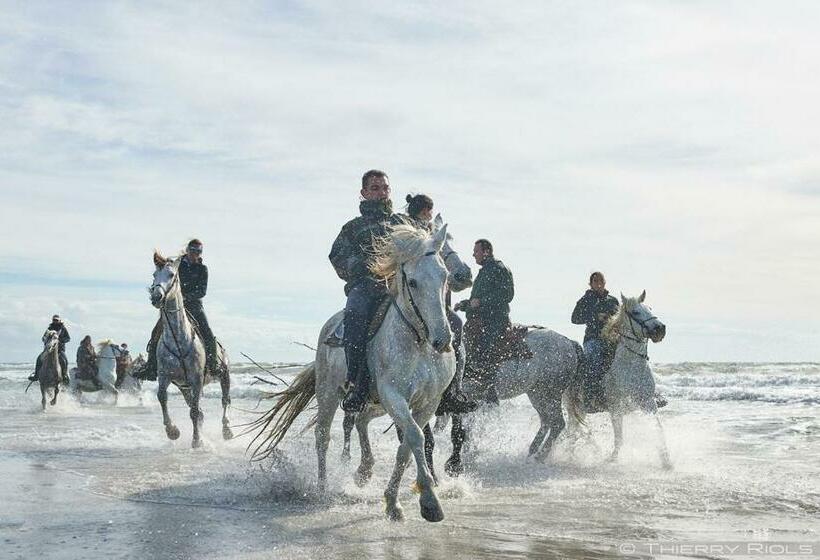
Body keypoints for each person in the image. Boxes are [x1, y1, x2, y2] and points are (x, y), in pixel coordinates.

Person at [329, 169, 405, 412]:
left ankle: (448, 387)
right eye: (375, 188)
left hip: (400, 287)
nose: (381, 192)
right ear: (364, 193)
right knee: (354, 315)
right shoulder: (353, 228)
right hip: (366, 287)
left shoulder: (401, 223)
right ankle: (356, 383)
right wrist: (361, 265)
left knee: (447, 319)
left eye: (384, 188)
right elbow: (337, 255)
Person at [403, 194, 477, 415]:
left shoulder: (438, 237)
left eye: (431, 211)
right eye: (427, 211)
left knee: (456, 325)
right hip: (410, 304)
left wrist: (460, 276)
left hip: (438, 307)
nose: (429, 215)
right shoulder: (407, 234)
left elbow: (452, 279)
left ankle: (453, 391)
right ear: (421, 212)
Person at [134, 239, 222, 380]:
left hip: (194, 306)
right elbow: (165, 278)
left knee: (208, 334)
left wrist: (184, 298)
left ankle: (213, 365)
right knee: (155, 333)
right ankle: (150, 368)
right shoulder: (176, 266)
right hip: (173, 306)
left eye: (198, 252)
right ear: (188, 250)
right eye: (193, 251)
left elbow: (202, 291)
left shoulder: (202, 269)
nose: (195, 254)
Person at [454, 239, 514, 404]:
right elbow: (476, 301)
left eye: (477, 251)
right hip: (479, 319)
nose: (474, 254)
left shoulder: (499, 269)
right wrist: (465, 304)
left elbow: (507, 295)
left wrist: (482, 302)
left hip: (495, 320)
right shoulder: (484, 271)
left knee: (483, 348)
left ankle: (489, 390)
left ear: (486, 251)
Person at [571, 271, 619, 411]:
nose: (598, 284)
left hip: (613, 339)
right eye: (595, 282)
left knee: (632, 354)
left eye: (601, 281)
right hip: (593, 339)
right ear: (590, 284)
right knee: (595, 359)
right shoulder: (586, 300)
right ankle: (591, 398)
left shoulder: (613, 300)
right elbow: (574, 319)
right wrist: (595, 317)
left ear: (605, 282)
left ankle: (646, 393)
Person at [29, 314, 70, 383]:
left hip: (59, 350)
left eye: (56, 320)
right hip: (48, 350)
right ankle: (36, 375)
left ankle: (64, 375)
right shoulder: (49, 329)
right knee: (39, 359)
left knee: (64, 360)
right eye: (54, 320)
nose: (55, 321)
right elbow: (43, 338)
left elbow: (68, 338)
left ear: (59, 321)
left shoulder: (63, 329)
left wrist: (60, 341)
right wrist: (46, 340)